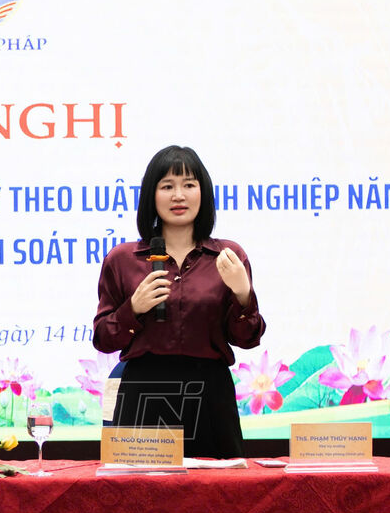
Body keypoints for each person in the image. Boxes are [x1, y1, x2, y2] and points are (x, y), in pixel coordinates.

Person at [93, 145, 266, 458]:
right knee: (140, 488)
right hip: (142, 393)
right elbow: (103, 340)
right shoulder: (122, 259)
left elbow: (247, 339)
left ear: (203, 192)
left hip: (210, 395)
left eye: (188, 185)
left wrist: (243, 294)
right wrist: (133, 309)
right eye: (167, 186)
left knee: (220, 487)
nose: (178, 196)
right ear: (151, 195)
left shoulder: (228, 257)